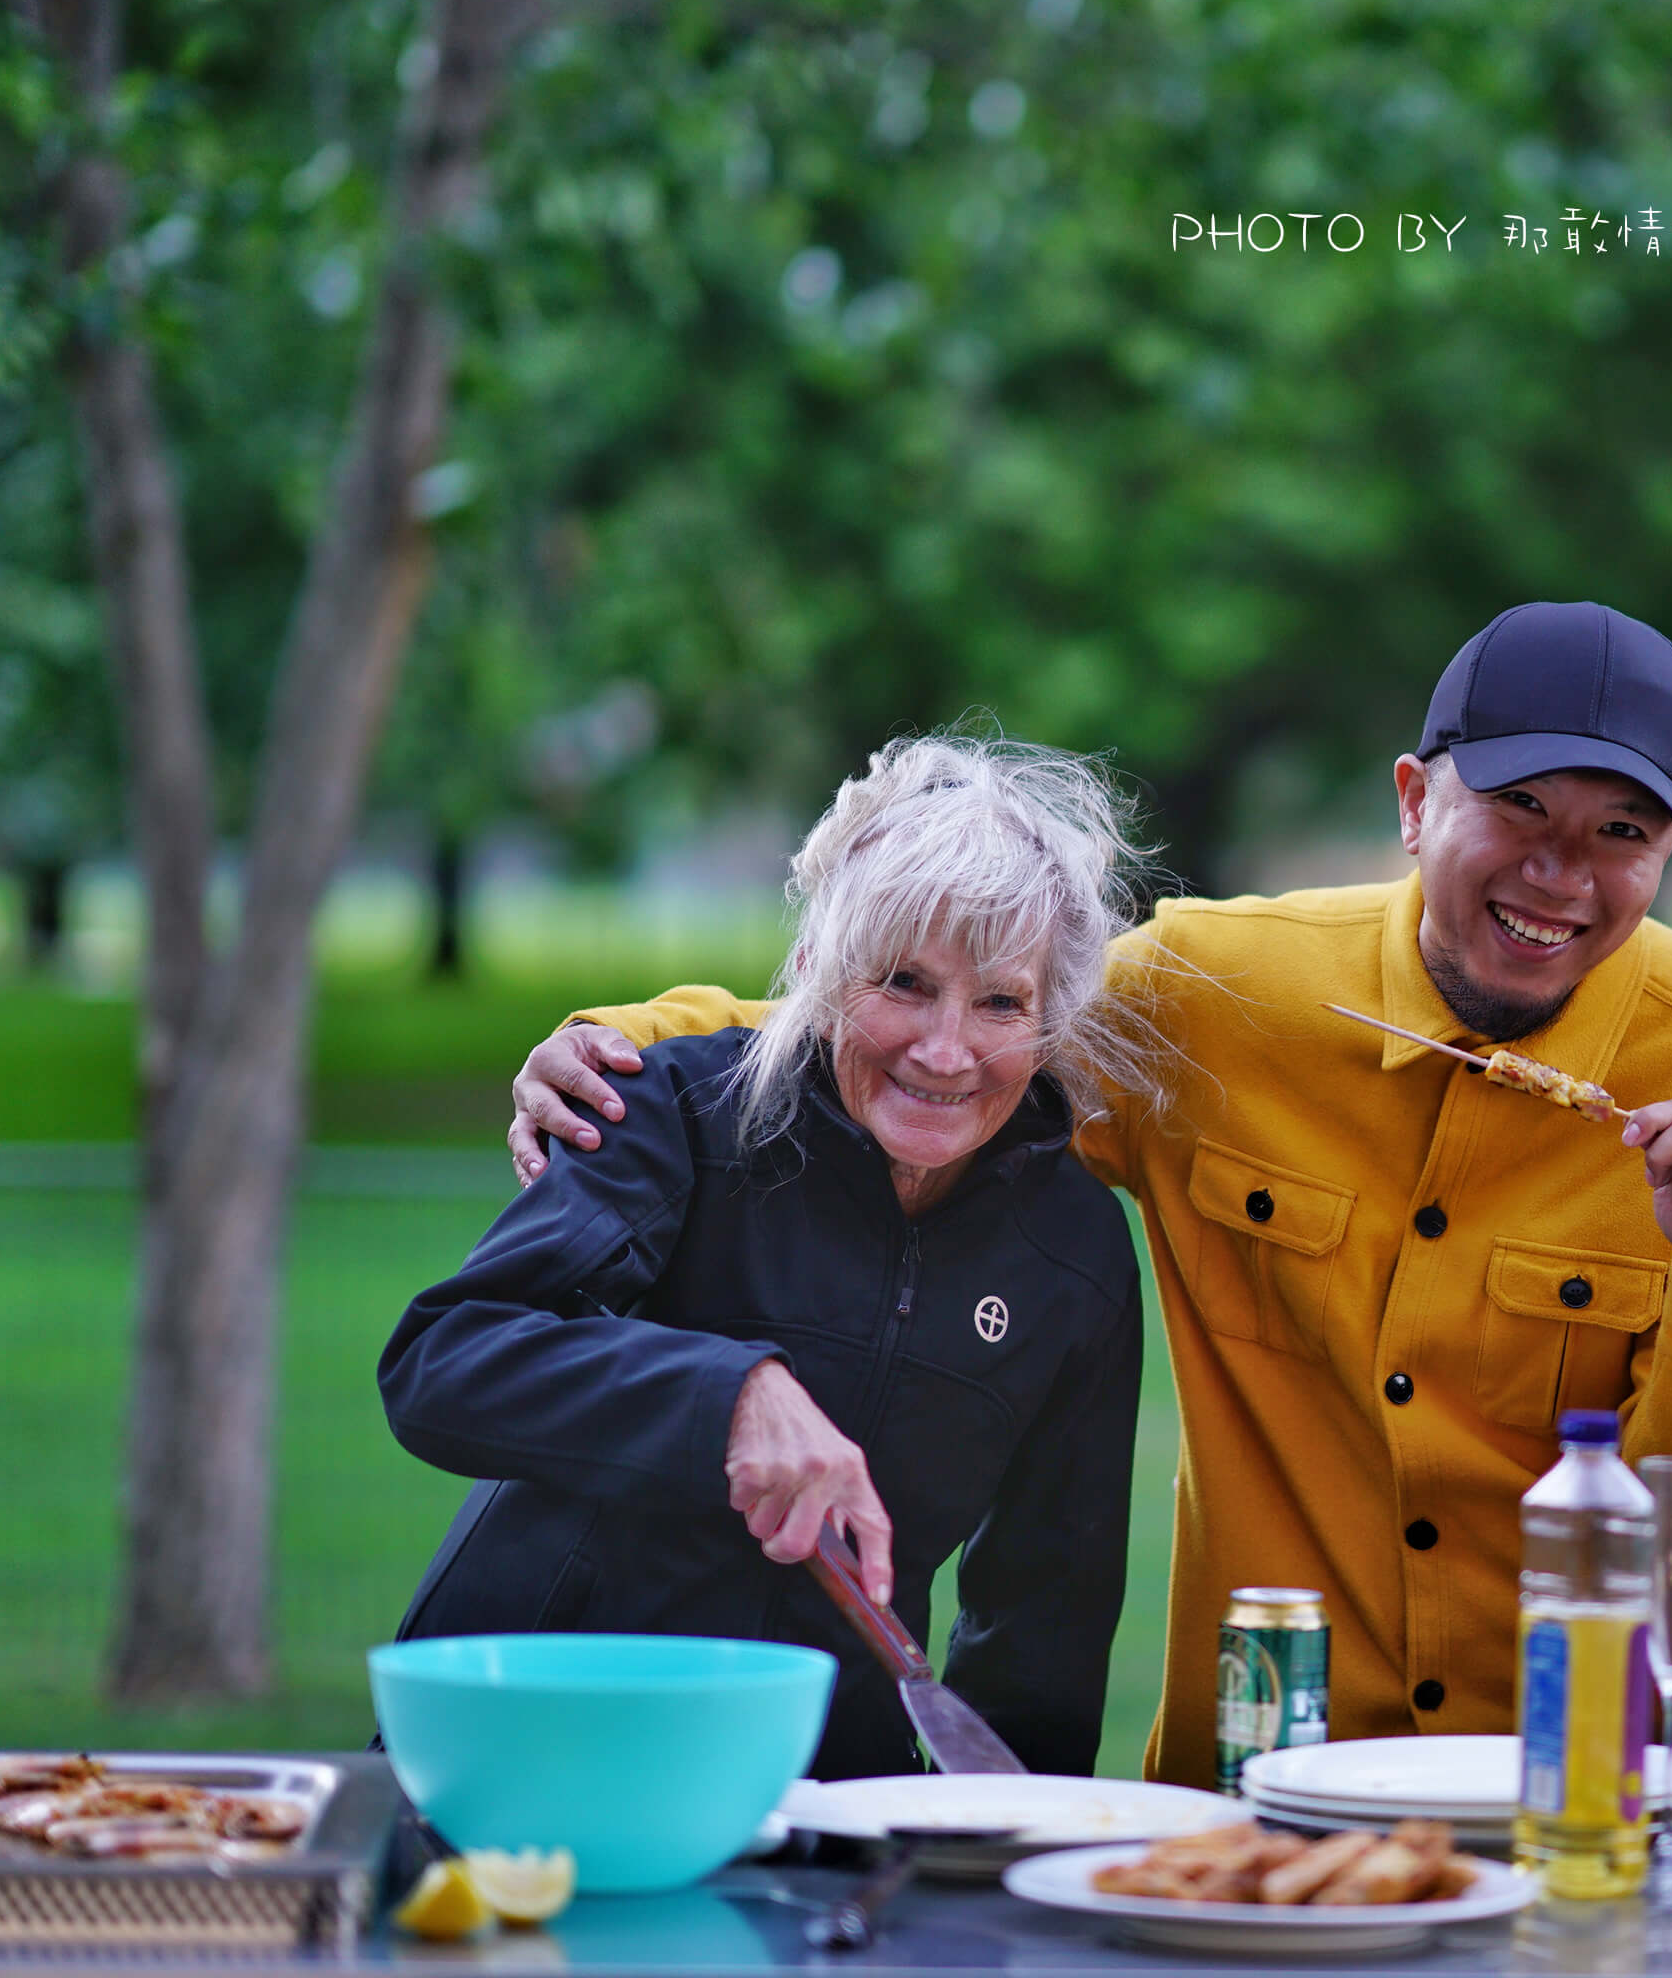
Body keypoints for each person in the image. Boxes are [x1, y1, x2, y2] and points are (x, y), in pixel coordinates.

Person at [505, 604, 1672, 1786]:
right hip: (1259, 1775)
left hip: (1570, 1788)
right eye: (1523, 810)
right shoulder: (1216, 994)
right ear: (1418, 800)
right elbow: (930, 1029)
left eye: (1621, 833)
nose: (1561, 871)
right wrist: (635, 1037)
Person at [382, 735, 1153, 1779]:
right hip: (528, 1739)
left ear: (1051, 1017)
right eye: (903, 981)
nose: (944, 1047)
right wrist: (728, 1392)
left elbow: (1044, 1616)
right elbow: (444, 1363)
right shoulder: (676, 1111)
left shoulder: (1075, 1249)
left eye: (1001, 1002)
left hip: (826, 1796)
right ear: (818, 972)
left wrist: (1007, 1841)